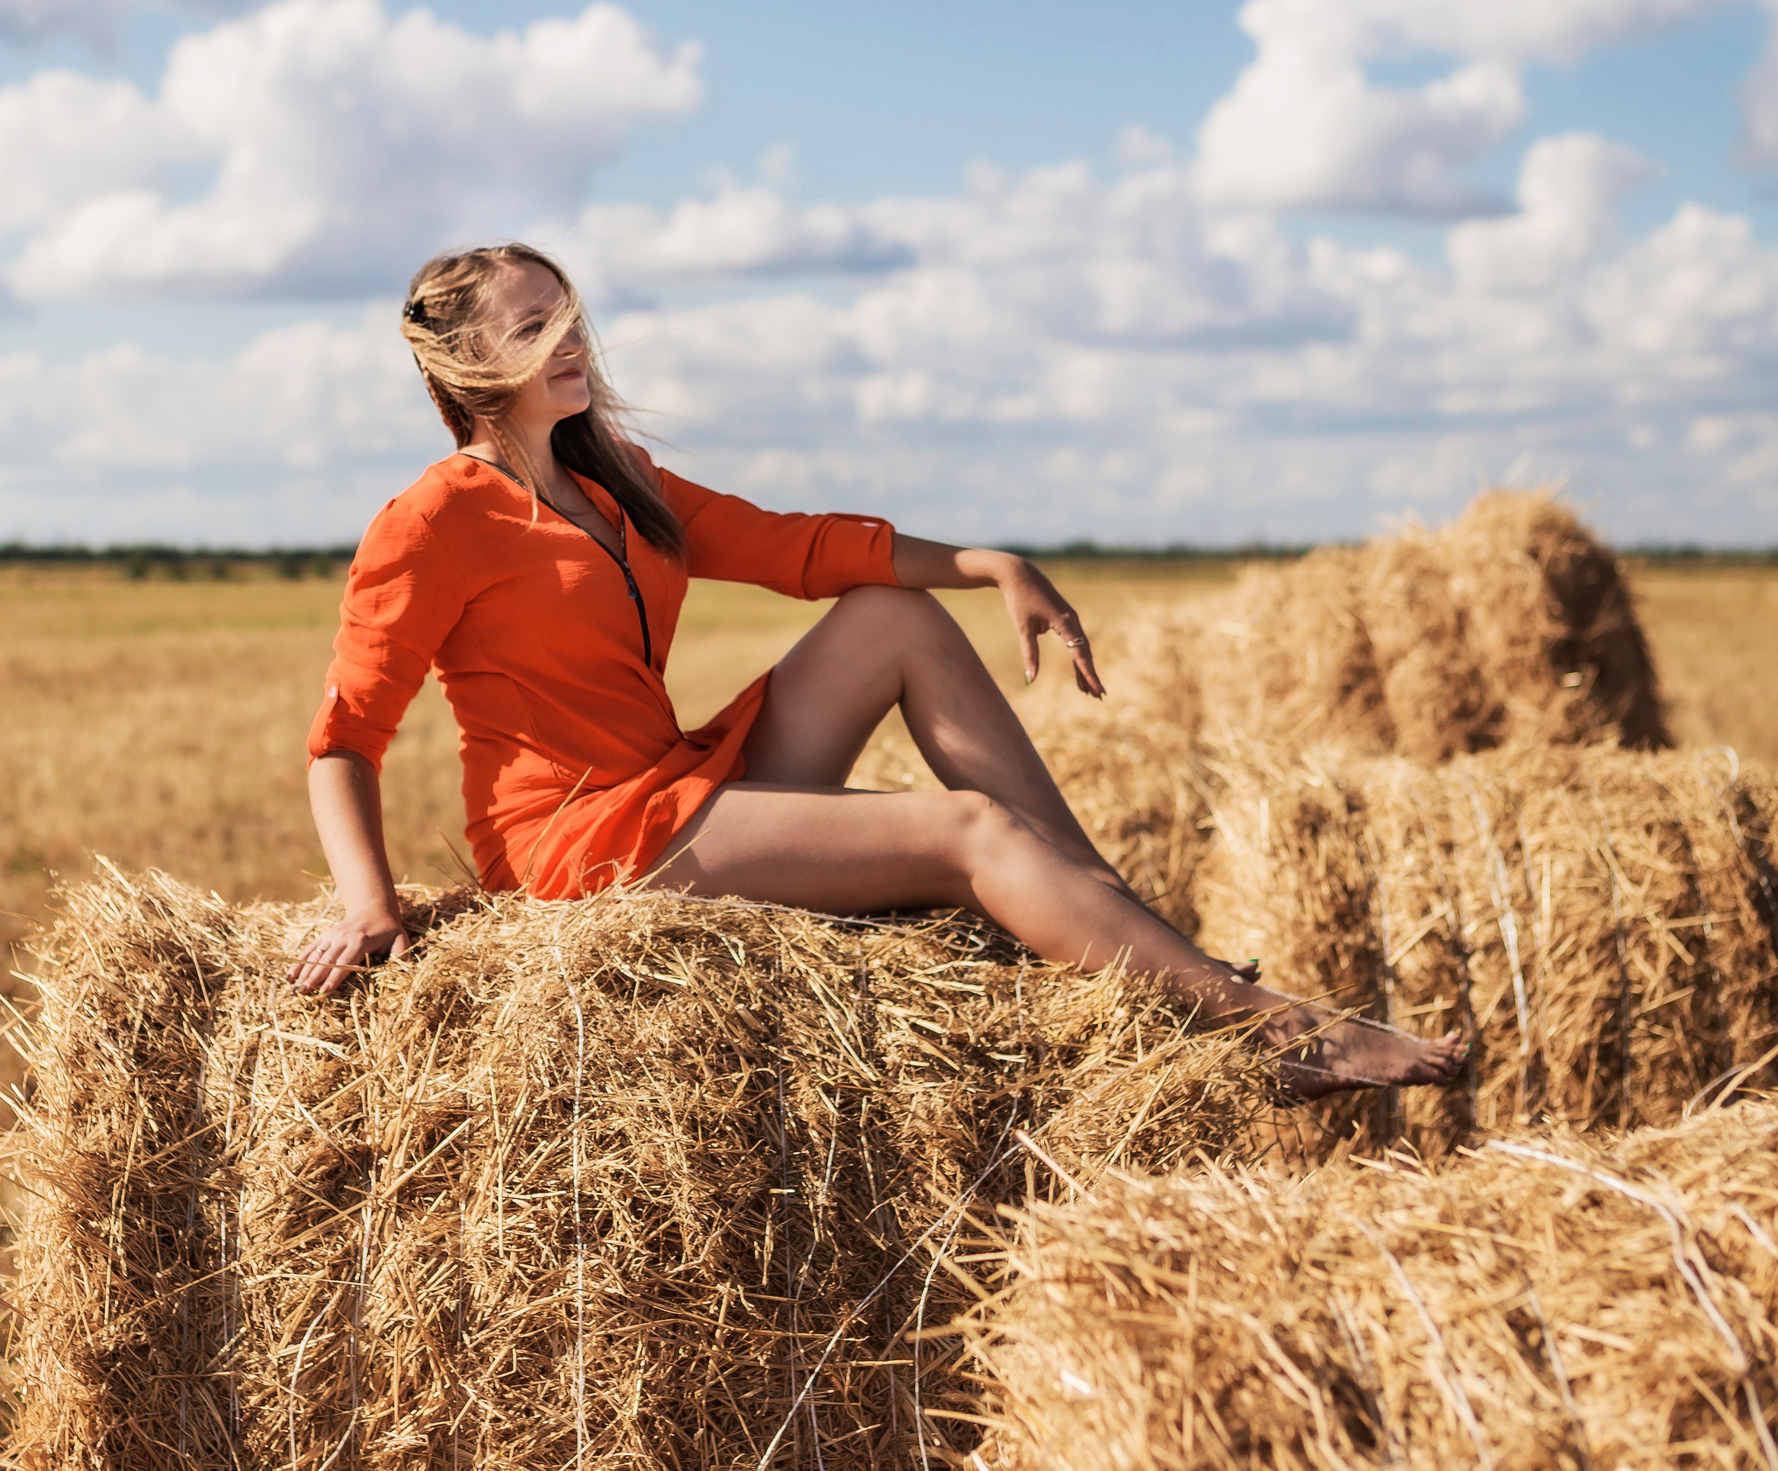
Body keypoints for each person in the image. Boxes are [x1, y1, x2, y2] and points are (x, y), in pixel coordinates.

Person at [287, 242, 1465, 1101]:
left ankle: (1151, 957)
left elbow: (792, 546)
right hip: (581, 846)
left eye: (573, 317)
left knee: (890, 614)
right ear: (464, 366)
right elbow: (347, 734)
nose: (572, 343)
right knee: (965, 833)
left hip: (674, 783)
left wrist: (986, 562)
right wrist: (369, 905)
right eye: (533, 326)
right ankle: (1269, 1031)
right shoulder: (433, 520)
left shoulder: (614, 480)